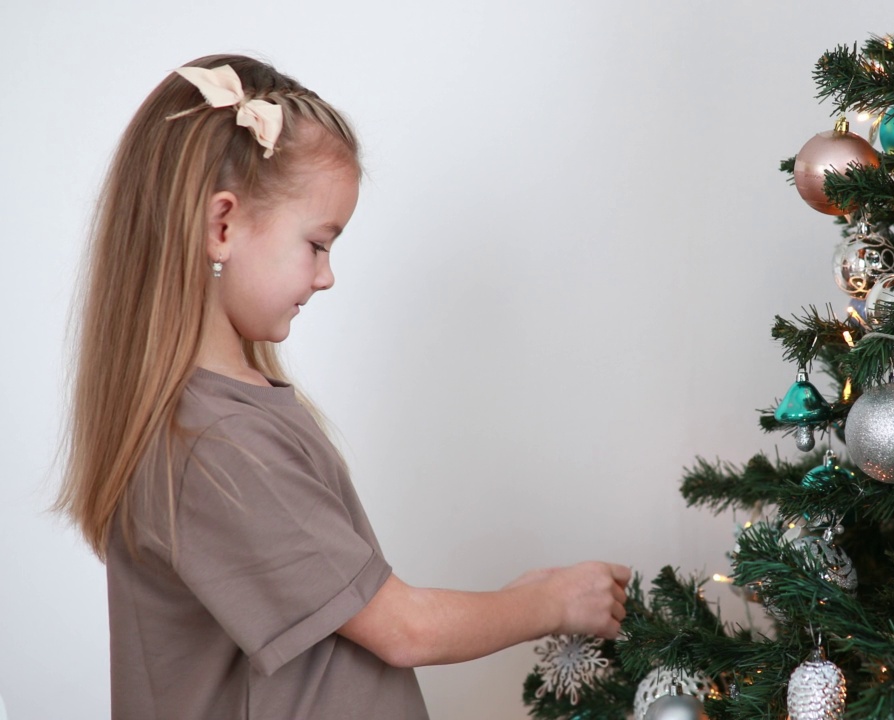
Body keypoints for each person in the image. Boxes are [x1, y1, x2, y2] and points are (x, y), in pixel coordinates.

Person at [55, 54, 630, 720]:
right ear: (222, 227)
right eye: (318, 244)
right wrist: (550, 601)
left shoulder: (234, 411)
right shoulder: (218, 443)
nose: (327, 276)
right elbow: (402, 628)